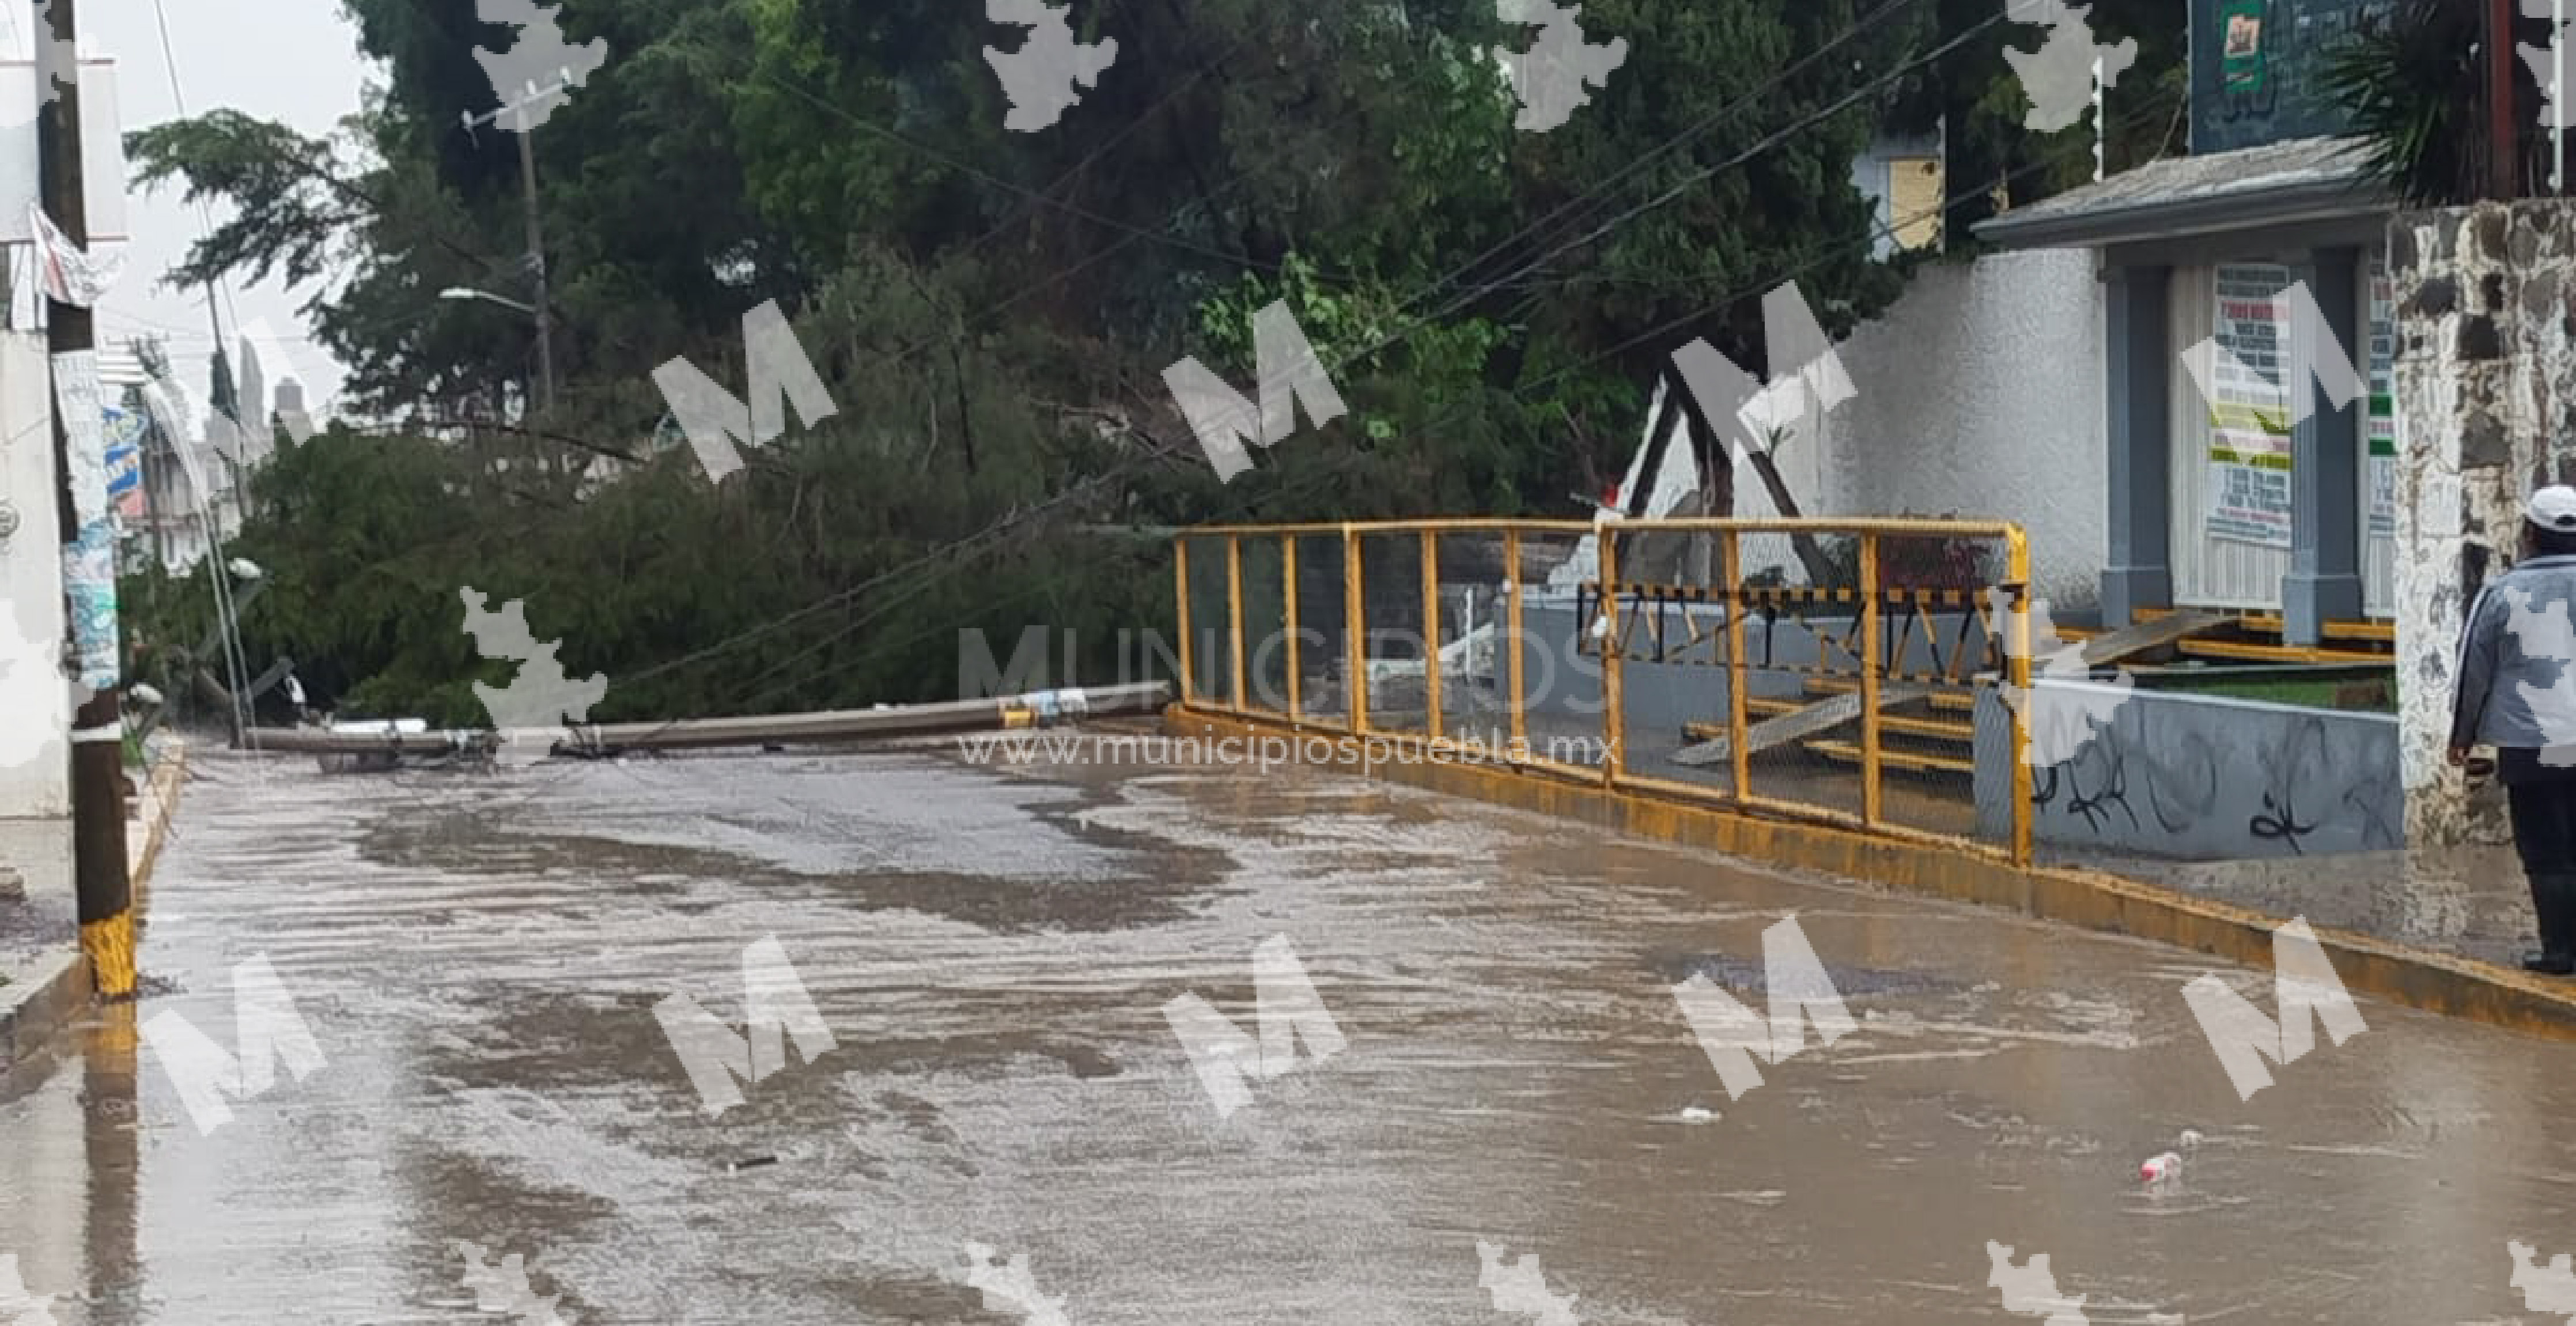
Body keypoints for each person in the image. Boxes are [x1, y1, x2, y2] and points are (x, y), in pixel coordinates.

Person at [2449, 483, 2576, 974]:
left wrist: (2461, 735)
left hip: (2531, 743)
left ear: (2530, 535)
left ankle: (2560, 951)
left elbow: (2472, 670)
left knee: (2547, 851)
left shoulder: (2500, 593)